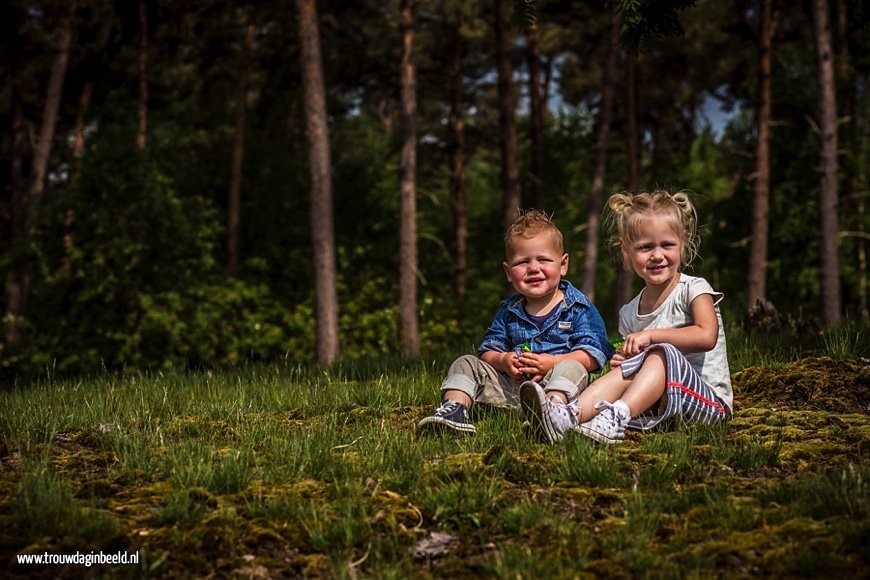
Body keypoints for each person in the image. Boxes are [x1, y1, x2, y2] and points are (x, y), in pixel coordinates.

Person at [521, 190, 733, 444]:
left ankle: (616, 417)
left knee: (660, 352)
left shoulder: (695, 289)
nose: (657, 255)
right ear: (627, 249)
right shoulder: (629, 312)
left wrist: (651, 337)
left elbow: (706, 335)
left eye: (667, 245)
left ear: (683, 242)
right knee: (630, 368)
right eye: (645, 247)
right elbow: (631, 367)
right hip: (657, 406)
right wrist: (625, 362)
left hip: (707, 404)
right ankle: (567, 417)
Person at [416, 209, 613, 437]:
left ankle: (551, 414)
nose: (534, 268)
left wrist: (553, 363)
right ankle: (455, 409)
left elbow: (594, 354)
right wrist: (503, 360)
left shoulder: (578, 307)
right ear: (508, 272)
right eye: (523, 262)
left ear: (563, 264)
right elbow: (488, 351)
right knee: (466, 362)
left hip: (558, 387)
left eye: (543, 259)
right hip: (512, 390)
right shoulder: (509, 311)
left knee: (573, 367)